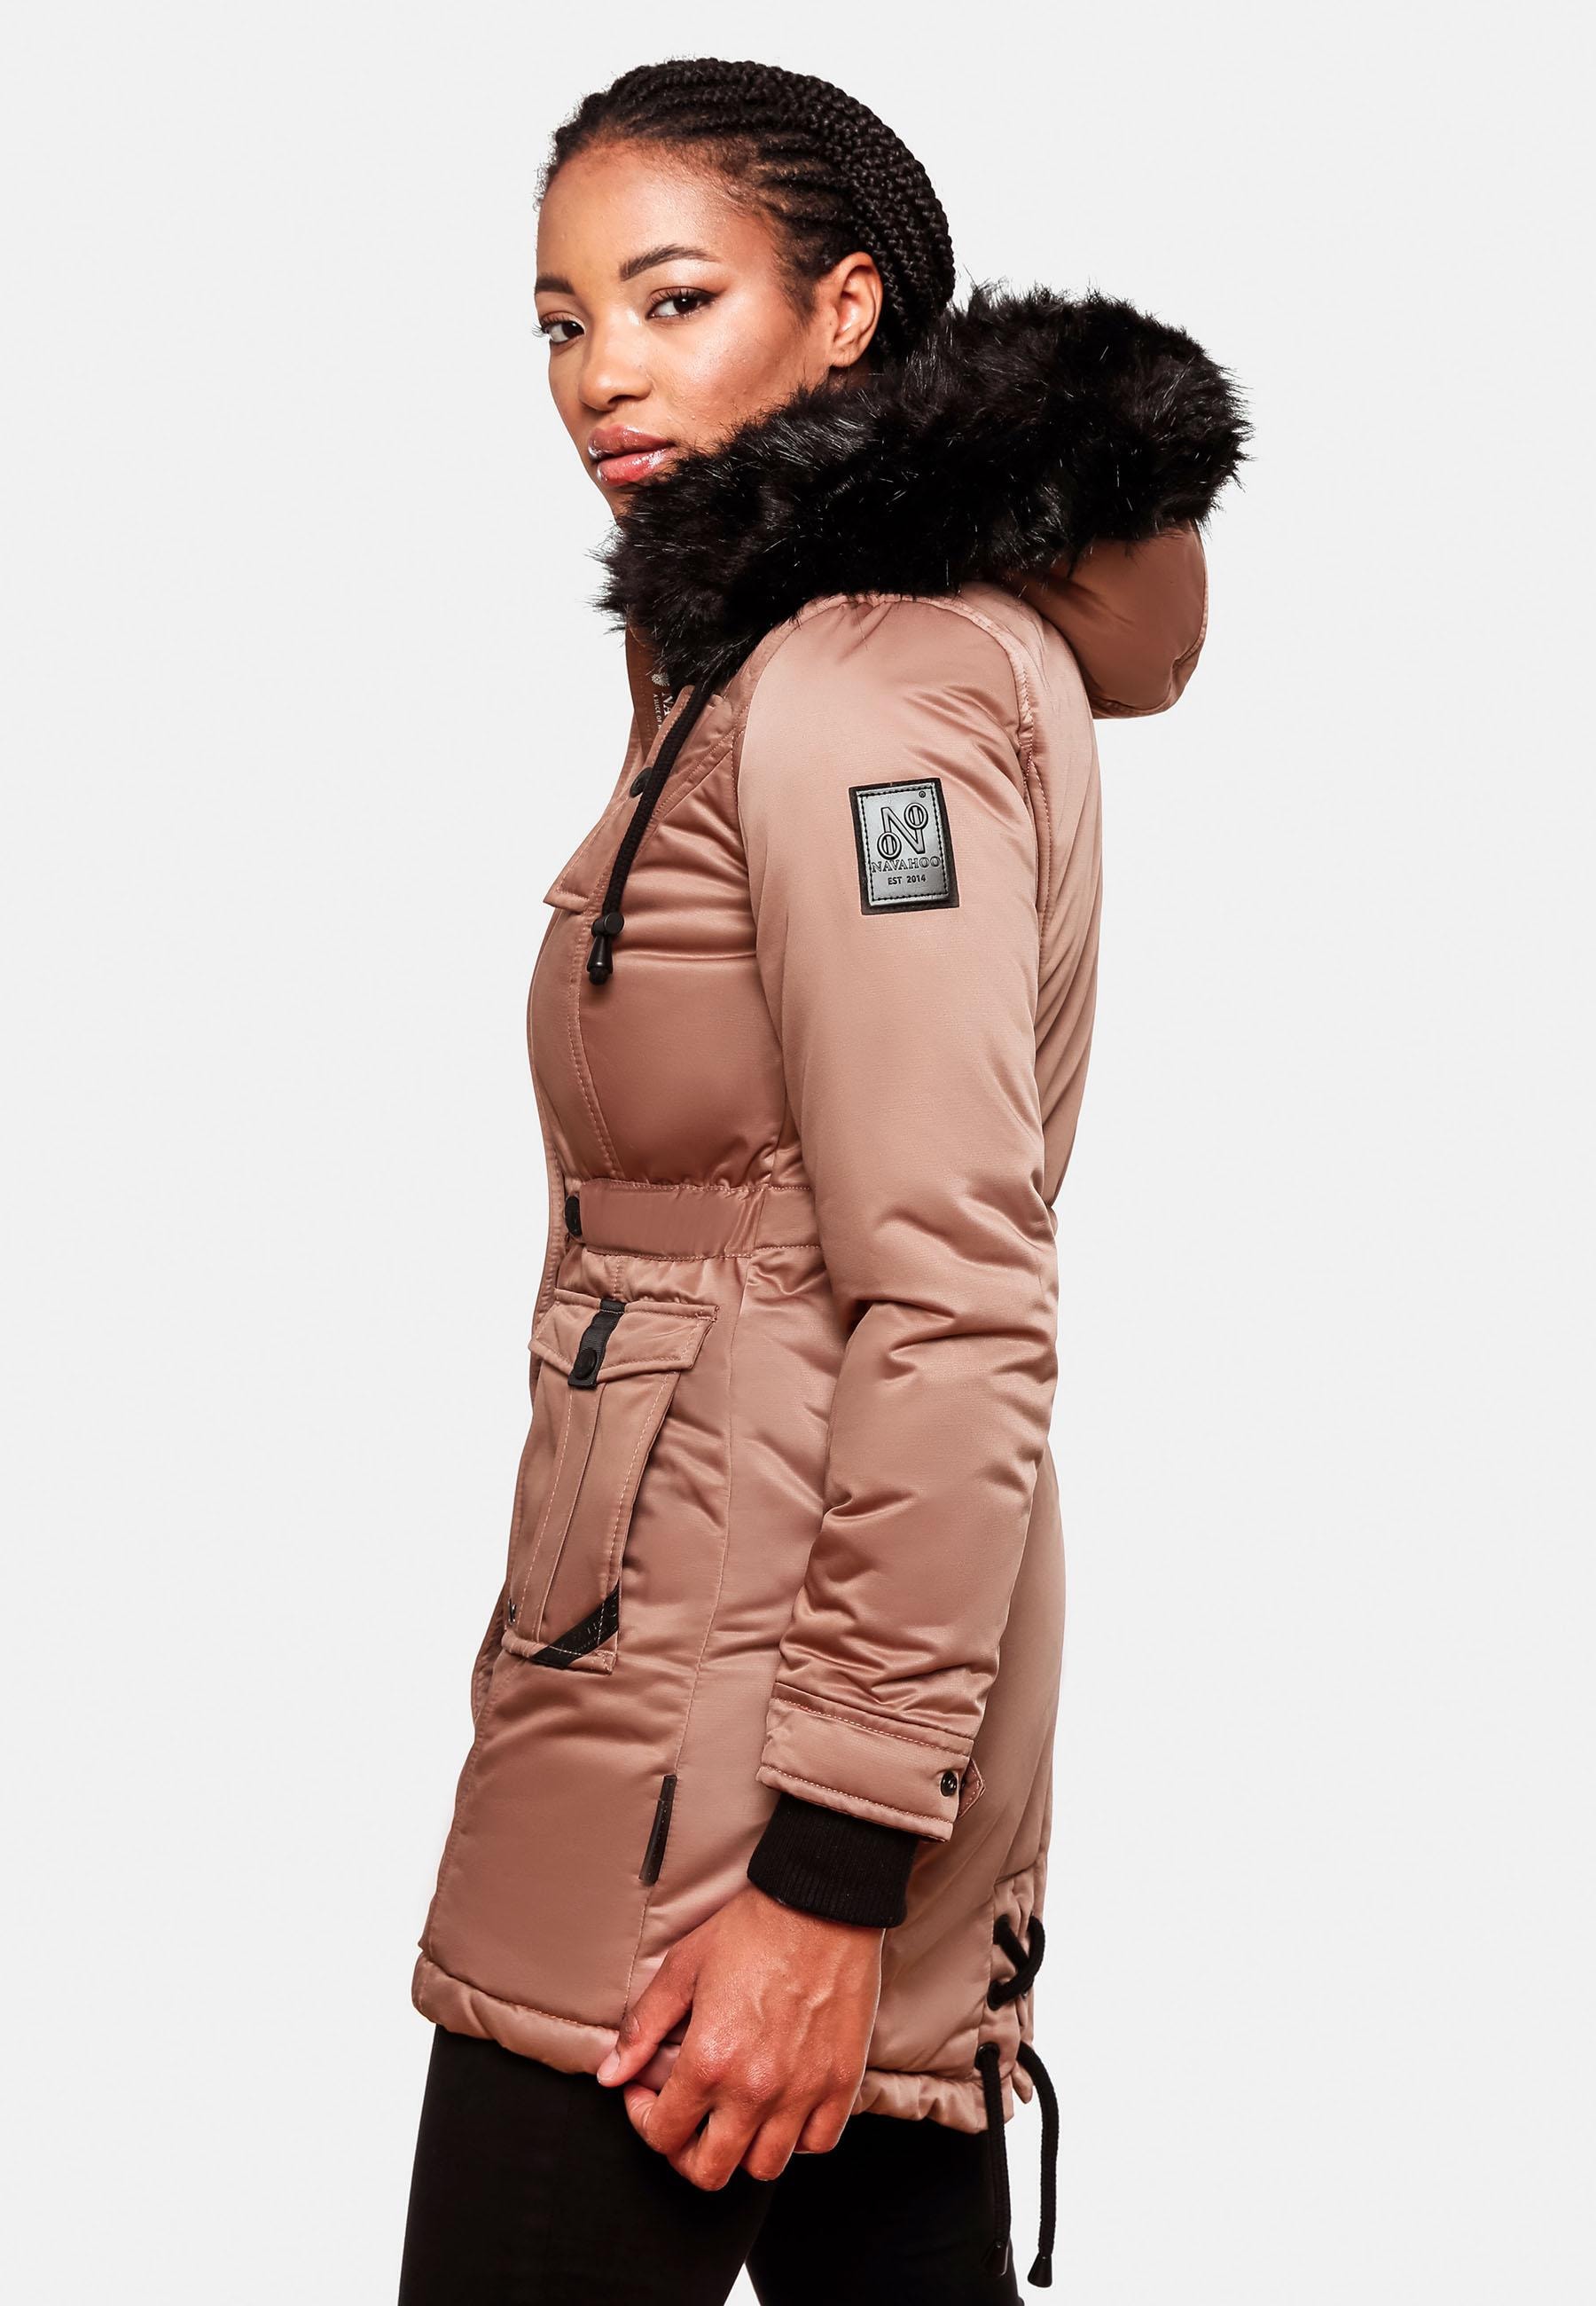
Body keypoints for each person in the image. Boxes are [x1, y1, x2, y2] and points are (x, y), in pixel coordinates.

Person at [398, 55, 1246, 2306]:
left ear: (848, 309)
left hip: (732, 1768)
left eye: (674, 299)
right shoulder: (770, 660)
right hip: (693, 1683)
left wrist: (832, 1877)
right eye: (564, 319)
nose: (605, 372)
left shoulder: (865, 691)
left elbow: (956, 1295)